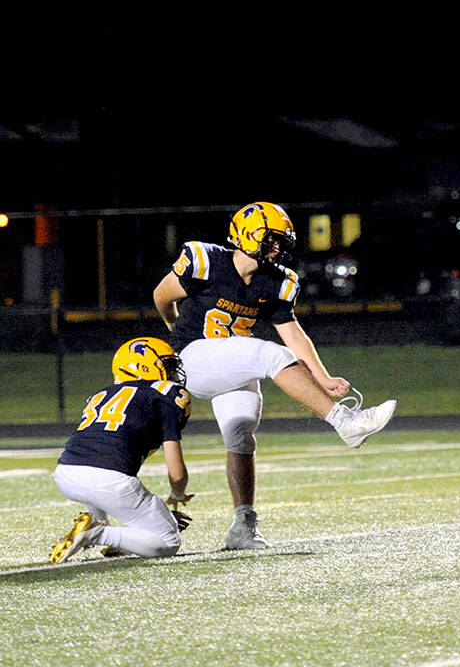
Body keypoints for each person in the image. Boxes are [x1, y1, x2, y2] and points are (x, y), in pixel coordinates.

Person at [152, 202, 397, 551]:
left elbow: (294, 333)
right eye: (271, 239)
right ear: (244, 234)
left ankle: (243, 525)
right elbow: (162, 296)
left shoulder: (279, 281)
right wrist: (175, 332)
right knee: (270, 353)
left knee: (241, 433)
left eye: (282, 241)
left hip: (235, 364)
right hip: (194, 359)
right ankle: (347, 422)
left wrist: (322, 377)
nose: (278, 248)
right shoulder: (204, 260)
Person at [49, 337, 194, 562]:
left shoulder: (101, 394)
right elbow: (176, 471)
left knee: (107, 484)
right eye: (167, 366)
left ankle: (106, 532)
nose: (173, 374)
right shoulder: (166, 393)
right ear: (143, 365)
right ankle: (98, 533)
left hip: (66, 473)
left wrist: (160, 516)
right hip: (109, 480)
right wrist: (178, 492)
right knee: (168, 541)